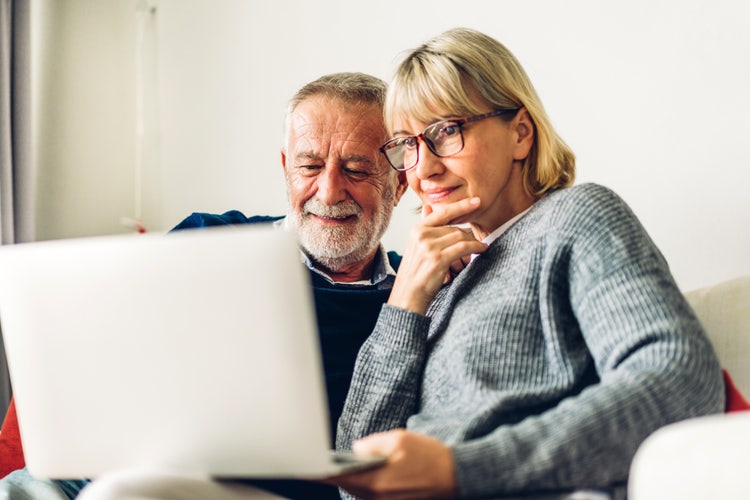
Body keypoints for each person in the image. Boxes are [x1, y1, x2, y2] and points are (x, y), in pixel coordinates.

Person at [329, 28, 725, 500]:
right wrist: (406, 301)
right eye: (406, 145)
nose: (425, 168)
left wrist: (460, 469)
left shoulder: (576, 217)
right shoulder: (436, 280)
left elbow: (679, 381)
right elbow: (354, 480)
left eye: (446, 132)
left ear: (520, 132)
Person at [0, 72, 407, 499]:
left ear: (398, 183)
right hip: (94, 473)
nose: (328, 189)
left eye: (356, 170)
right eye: (309, 166)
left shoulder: (416, 298)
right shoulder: (209, 237)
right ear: (286, 168)